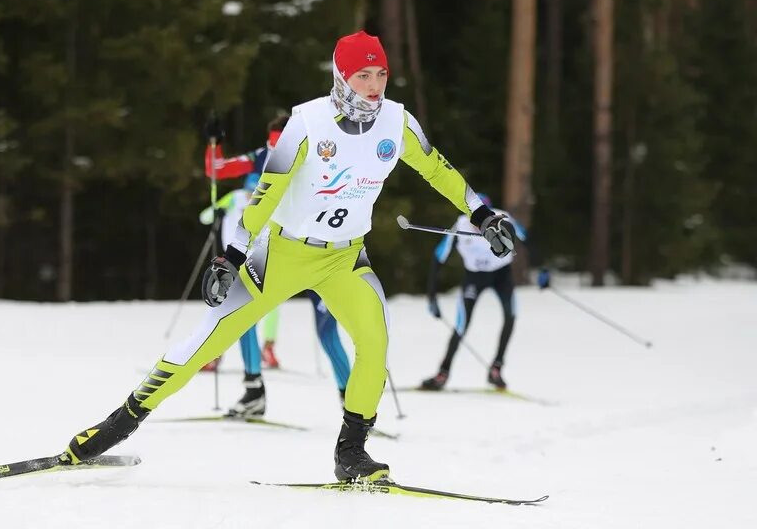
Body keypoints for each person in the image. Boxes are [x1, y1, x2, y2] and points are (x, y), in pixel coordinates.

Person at [64, 30, 516, 483]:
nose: (375, 85)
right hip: (279, 253)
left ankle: (352, 452)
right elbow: (266, 191)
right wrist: (232, 254)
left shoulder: (397, 123)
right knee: (208, 341)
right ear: (341, 76)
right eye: (363, 75)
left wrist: (481, 214)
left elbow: (437, 168)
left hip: (344, 258)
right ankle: (116, 425)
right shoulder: (307, 122)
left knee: (375, 341)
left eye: (381, 74)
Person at [200, 116, 353, 416]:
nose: (274, 152)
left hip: (319, 254)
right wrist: (213, 144)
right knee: (241, 312)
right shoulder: (261, 156)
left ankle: (353, 403)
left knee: (327, 331)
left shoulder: (320, 156)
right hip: (274, 255)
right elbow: (215, 170)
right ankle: (253, 390)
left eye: (279, 145)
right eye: (271, 145)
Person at [419, 194, 541, 391]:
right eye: (473, 217)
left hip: (501, 276)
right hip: (474, 277)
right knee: (461, 325)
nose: (477, 223)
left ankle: (496, 369)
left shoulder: (503, 218)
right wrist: (432, 295)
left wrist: (542, 270)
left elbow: (527, 240)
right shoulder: (460, 225)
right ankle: (443, 373)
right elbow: (438, 257)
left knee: (511, 317)